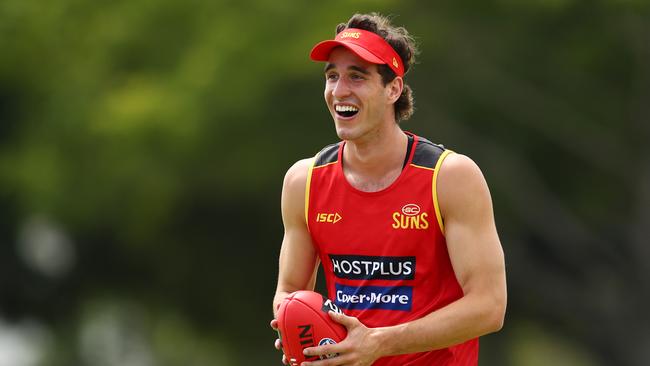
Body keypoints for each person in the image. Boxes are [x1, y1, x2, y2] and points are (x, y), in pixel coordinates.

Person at [270, 13, 507, 366]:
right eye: (332, 76)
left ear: (393, 89)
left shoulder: (450, 177)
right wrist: (295, 329)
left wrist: (379, 343)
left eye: (357, 76)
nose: (339, 90)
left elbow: (489, 307)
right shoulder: (304, 181)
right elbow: (289, 294)